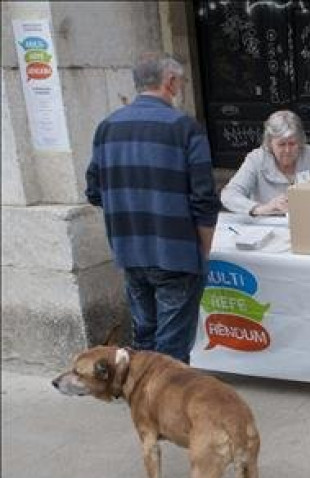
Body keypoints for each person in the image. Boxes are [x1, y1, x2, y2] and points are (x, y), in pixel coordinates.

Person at [85, 52, 220, 364]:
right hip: (175, 253)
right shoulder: (185, 127)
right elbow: (204, 197)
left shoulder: (107, 127)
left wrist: (130, 207)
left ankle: (145, 405)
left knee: (144, 337)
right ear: (170, 82)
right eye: (181, 82)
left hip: (129, 250)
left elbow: (94, 191)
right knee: (171, 348)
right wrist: (204, 246)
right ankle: (164, 408)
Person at [221, 110, 310, 217]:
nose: (287, 150)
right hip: (266, 223)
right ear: (270, 143)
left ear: (300, 141)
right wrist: (262, 208)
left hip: (306, 220)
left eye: (292, 144)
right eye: (281, 144)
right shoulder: (257, 159)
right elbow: (229, 195)